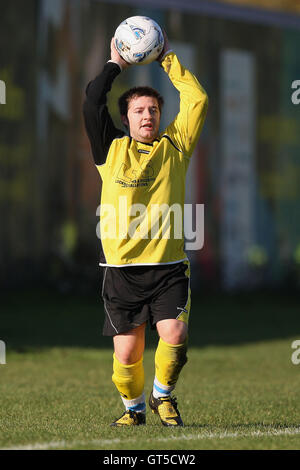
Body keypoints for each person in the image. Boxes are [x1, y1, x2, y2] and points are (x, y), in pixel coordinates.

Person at [83, 30, 208, 426]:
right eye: (139, 111)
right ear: (126, 118)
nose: (148, 116)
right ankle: (134, 409)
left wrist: (167, 56)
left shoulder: (176, 146)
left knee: (174, 332)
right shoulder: (110, 149)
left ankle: (163, 396)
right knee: (127, 354)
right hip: (120, 270)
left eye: (153, 109)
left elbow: (198, 100)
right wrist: (116, 63)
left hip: (168, 266)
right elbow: (91, 100)